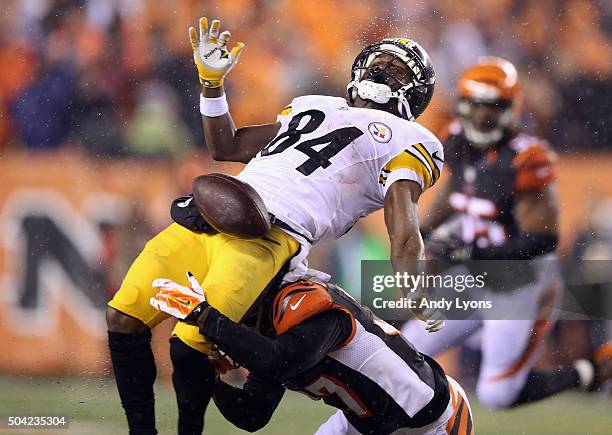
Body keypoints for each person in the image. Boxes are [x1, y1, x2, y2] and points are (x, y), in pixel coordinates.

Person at [106, 16, 444, 434]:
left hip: (267, 236)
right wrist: (212, 86)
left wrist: (412, 281)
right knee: (123, 317)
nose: (383, 71)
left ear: (417, 94)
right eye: (380, 61)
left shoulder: (411, 138)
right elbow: (225, 146)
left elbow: (403, 221)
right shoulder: (313, 104)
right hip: (209, 213)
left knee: (189, 344)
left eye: (397, 70)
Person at [401, 57, 612, 409]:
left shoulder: (527, 159)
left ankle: (592, 369)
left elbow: (543, 240)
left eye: (493, 106)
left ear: (510, 107)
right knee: (406, 351)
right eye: (477, 105)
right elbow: (458, 188)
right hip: (474, 278)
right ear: (463, 106)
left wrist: (470, 253)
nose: (483, 115)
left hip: (521, 287)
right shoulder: (454, 140)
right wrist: (423, 230)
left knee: (497, 395)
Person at [149, 274, 474, 435]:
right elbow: (252, 414)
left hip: (431, 424)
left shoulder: (304, 304)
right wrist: (209, 381)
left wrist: (206, 318)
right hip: (365, 424)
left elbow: (280, 361)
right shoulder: (270, 332)